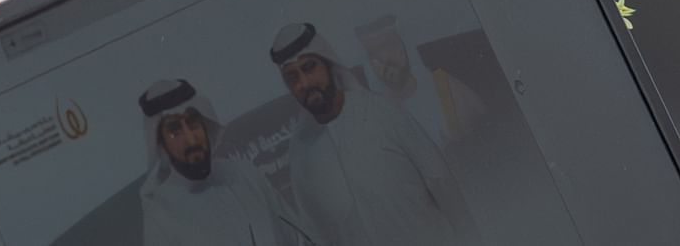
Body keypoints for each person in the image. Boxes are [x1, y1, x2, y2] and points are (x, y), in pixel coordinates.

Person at [259, 20, 454, 245]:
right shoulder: (301, 151)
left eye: (309, 67)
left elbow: (443, 184)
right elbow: (317, 234)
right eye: (292, 77)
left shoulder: (381, 111)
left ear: (328, 64)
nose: (304, 83)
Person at [133, 78, 293, 246]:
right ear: (161, 144)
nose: (191, 139)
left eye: (192, 123)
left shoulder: (242, 173)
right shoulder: (161, 215)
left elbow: (296, 235)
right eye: (175, 130)